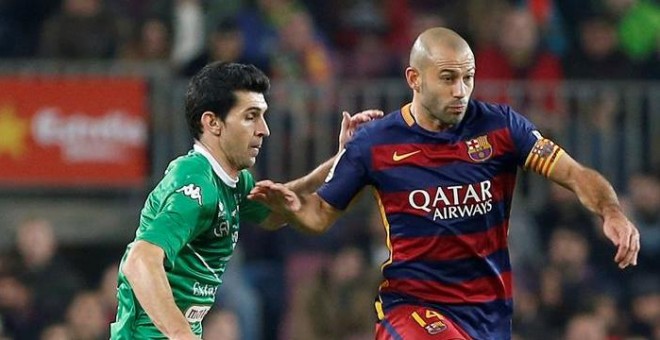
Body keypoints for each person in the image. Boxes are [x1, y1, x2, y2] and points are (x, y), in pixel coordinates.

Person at [248, 27, 641, 339]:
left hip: (489, 314)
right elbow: (319, 216)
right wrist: (291, 209)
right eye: (448, 78)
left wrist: (611, 211)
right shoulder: (374, 142)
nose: (460, 91)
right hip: (411, 310)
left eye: (468, 78)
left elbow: (573, 173)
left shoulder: (500, 126)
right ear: (414, 79)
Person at [109, 61, 382, 339]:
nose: (264, 129)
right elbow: (140, 260)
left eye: (262, 116)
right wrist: (182, 335)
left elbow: (276, 212)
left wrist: (341, 159)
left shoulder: (233, 181)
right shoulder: (196, 186)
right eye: (251, 116)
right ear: (212, 123)